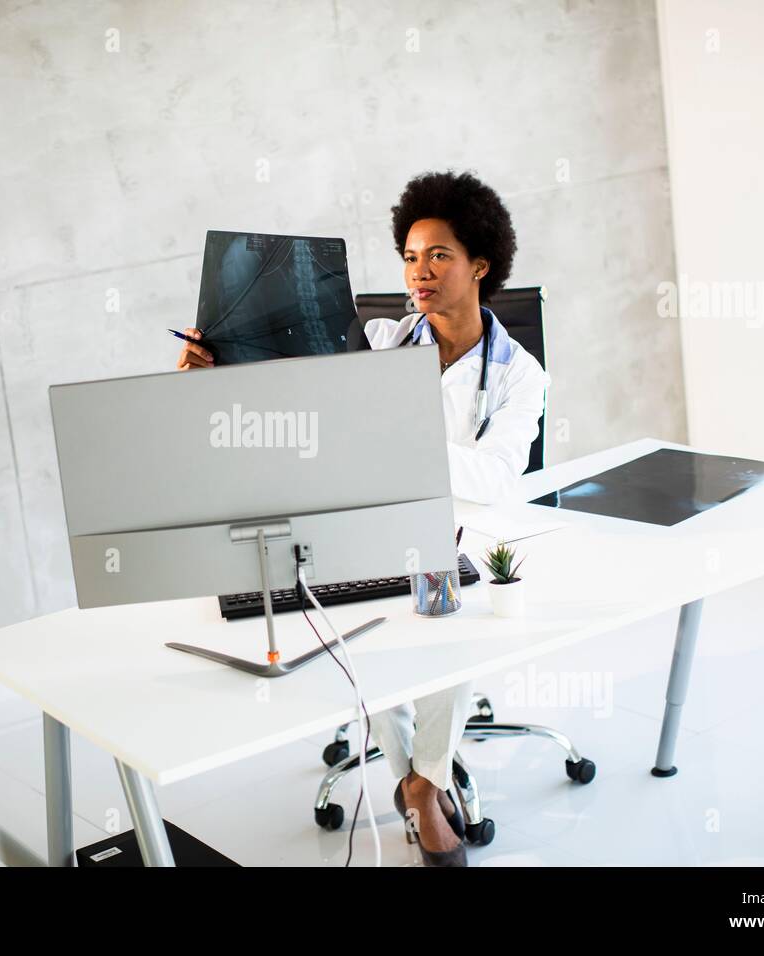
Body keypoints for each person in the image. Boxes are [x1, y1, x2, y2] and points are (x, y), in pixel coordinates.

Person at [175, 171, 548, 866]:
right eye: (410, 256)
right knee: (364, 633)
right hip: (367, 532)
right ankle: (420, 786)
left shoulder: (519, 374)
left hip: (455, 541)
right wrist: (211, 376)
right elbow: (288, 403)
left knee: (451, 630)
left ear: (480, 265)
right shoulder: (379, 341)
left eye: (439, 255)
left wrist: (389, 435)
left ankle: (418, 782)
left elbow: (496, 480)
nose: (420, 272)